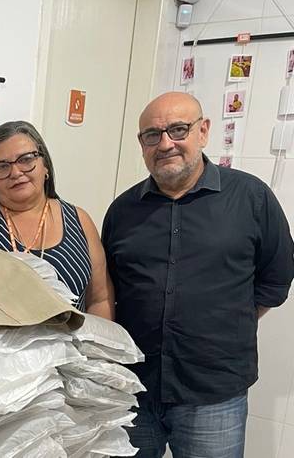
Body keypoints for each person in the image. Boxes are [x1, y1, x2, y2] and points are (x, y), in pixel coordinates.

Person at [102, 91, 294, 458]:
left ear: (203, 131)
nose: (165, 144)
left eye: (178, 130)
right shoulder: (123, 210)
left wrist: (226, 320)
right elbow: (109, 289)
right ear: (141, 144)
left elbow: (275, 279)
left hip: (213, 394)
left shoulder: (251, 197)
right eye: (152, 135)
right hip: (133, 388)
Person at [0, 120, 114, 317]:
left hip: (78, 336)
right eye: (2, 166)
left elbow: (100, 299)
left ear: (45, 166)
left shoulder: (79, 220)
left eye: (26, 159)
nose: (15, 173)